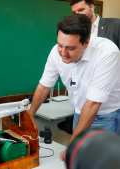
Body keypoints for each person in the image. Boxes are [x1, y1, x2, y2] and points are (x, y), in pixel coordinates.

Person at [29, 14, 120, 162]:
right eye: (60, 45)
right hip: (79, 113)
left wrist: (72, 146)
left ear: (86, 43)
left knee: (101, 163)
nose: (63, 53)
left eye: (70, 48)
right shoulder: (56, 52)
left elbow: (93, 103)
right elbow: (44, 87)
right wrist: (29, 118)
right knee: (80, 161)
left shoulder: (108, 52)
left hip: (106, 117)